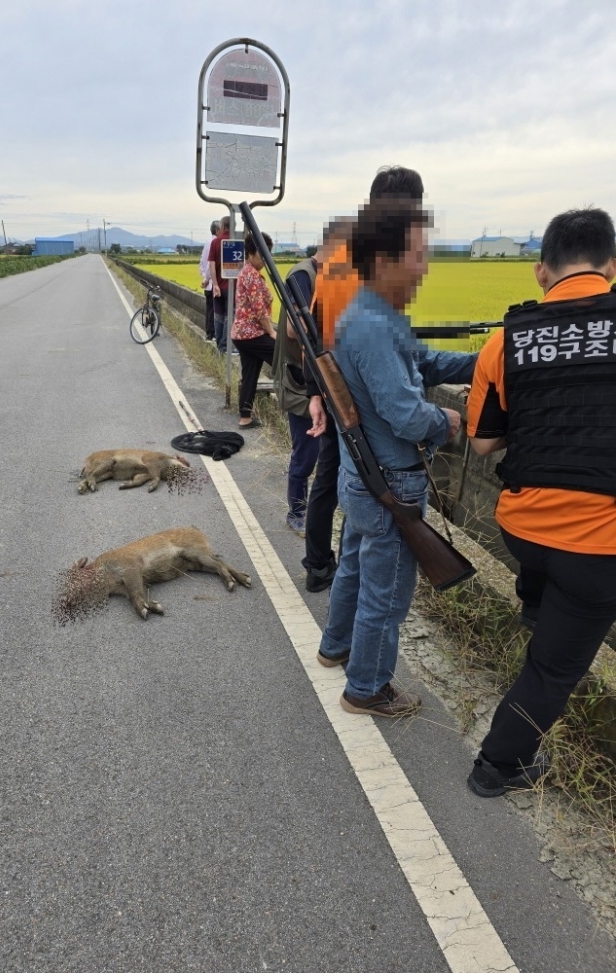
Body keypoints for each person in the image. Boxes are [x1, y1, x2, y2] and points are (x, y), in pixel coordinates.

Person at [465, 207, 616, 796]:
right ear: (611, 266)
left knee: (551, 581)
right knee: (554, 669)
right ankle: (499, 767)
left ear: (540, 271)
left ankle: (534, 607)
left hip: (522, 527)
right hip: (596, 546)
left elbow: (481, 444)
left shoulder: (507, 340)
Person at [316, 197, 478, 717]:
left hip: (362, 476)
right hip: (392, 483)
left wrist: (482, 361)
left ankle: (335, 647)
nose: (425, 264)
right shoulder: (373, 324)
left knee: (355, 571)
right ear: (385, 258)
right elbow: (407, 414)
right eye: (418, 252)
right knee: (385, 597)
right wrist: (446, 422)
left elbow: (424, 362)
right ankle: (367, 688)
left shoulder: (366, 312)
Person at [303, 167, 426, 593]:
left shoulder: (337, 253)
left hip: (337, 386)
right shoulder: (380, 258)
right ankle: (333, 573)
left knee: (339, 482)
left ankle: (321, 566)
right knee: (366, 494)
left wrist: (315, 390)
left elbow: (312, 329)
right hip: (365, 397)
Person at [272, 255, 320, 536]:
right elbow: (293, 328)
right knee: (306, 451)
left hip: (323, 380)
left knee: (326, 455)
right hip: (301, 382)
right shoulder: (303, 275)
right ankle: (297, 512)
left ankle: (314, 510)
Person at [231, 232, 276, 429]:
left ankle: (245, 417)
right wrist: (272, 332)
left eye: (268, 254)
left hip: (241, 334)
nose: (265, 259)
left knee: (250, 373)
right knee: (286, 360)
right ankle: (306, 400)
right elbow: (259, 310)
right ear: (249, 254)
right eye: (261, 255)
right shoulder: (251, 275)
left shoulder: (247, 272)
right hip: (252, 333)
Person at [208, 216, 230, 352]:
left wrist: (215, 284)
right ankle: (223, 346)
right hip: (232, 287)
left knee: (218, 316)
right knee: (229, 317)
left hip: (218, 287)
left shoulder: (215, 242)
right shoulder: (237, 242)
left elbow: (211, 264)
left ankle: (219, 345)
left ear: (222, 227)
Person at [199, 220, 220, 341]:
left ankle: (209, 333)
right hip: (213, 283)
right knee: (215, 311)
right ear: (217, 230)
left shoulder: (207, 242)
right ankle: (212, 334)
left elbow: (202, 263)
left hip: (208, 283)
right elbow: (210, 265)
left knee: (209, 310)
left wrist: (204, 277)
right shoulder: (215, 242)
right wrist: (207, 278)